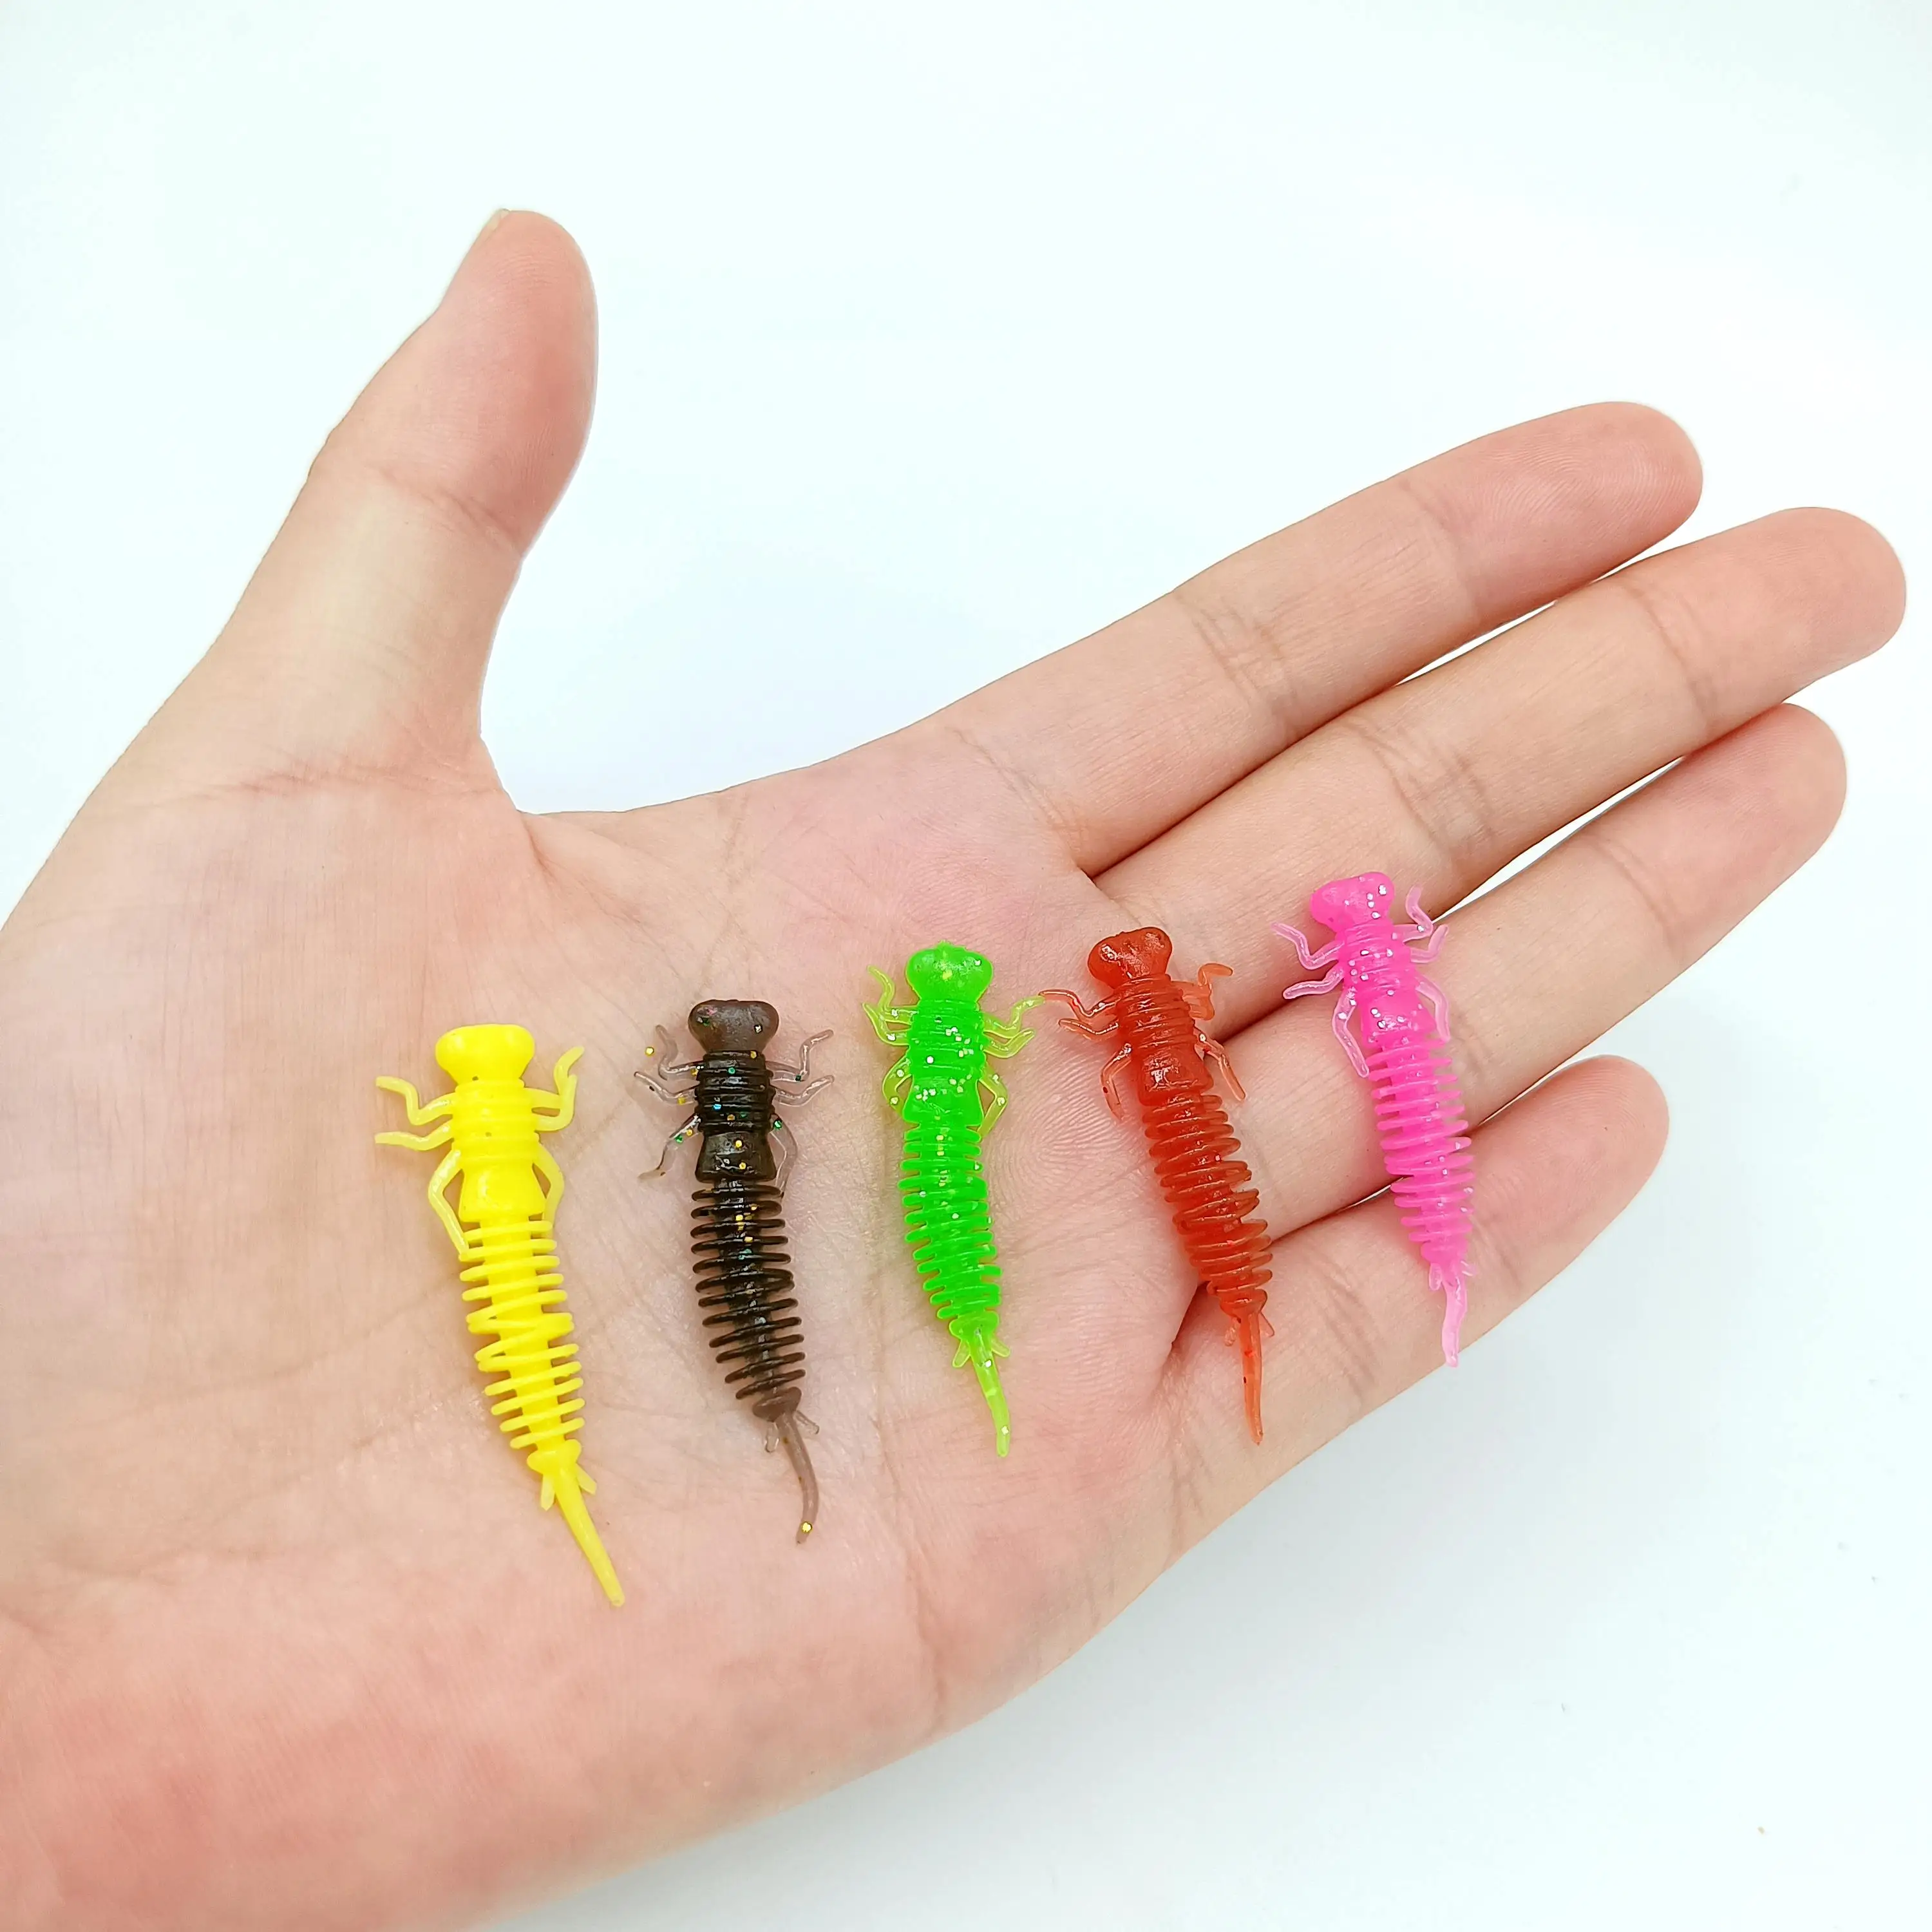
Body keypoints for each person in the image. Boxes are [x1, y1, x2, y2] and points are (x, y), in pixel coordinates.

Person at [0, 212, 1902, 1931]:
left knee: (905, 1264)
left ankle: (873, 1396)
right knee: (740, 1301)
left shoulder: (934, 1088)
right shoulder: (840, 1107)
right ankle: (735, 1438)